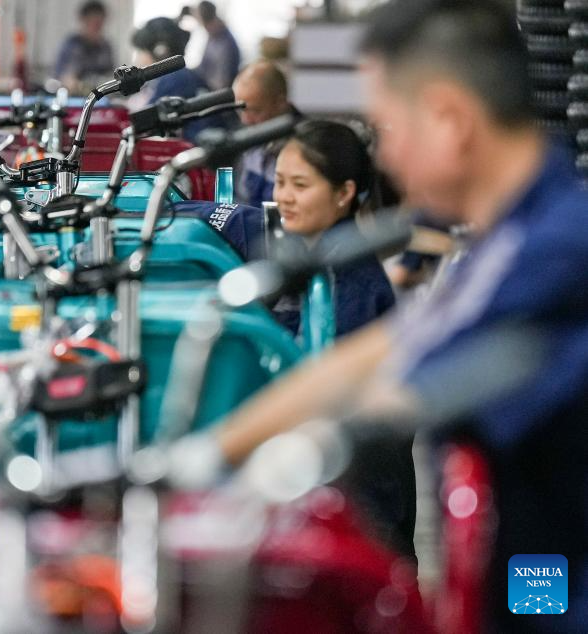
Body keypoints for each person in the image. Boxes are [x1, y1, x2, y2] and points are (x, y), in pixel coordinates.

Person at [191, 1, 587, 629]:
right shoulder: (519, 228)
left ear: (450, 119)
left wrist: (250, 461)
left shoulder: (552, 255)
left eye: (388, 127)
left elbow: (385, 386)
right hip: (530, 563)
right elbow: (379, 350)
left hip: (553, 588)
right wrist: (206, 455)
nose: (386, 158)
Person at [269, 120, 396, 338]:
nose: (284, 197)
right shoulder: (305, 253)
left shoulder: (352, 282)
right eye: (280, 182)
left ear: (344, 193)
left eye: (300, 185)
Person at [130, 17, 229, 142]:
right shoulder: (181, 74)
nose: (138, 58)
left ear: (160, 51)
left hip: (198, 148)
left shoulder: (174, 78)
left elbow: (142, 122)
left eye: (141, 51)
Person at [231, 61, 302, 209]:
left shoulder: (305, 145)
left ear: (281, 102)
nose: (245, 120)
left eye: (255, 111)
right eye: (240, 110)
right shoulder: (245, 136)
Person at [54, 1, 116, 94]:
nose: (97, 29)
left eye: (100, 24)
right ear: (83, 21)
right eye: (94, 24)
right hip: (76, 98)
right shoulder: (73, 46)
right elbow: (67, 80)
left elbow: (111, 77)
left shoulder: (105, 47)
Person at [192, 1, 241, 91]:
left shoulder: (225, 43)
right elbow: (203, 67)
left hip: (219, 91)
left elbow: (223, 82)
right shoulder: (213, 37)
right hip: (210, 85)